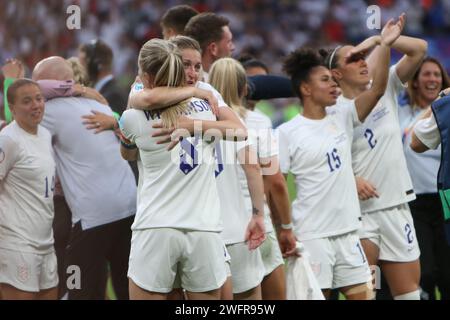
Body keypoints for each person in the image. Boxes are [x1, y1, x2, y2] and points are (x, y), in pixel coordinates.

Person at [120, 38, 259, 300]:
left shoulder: (132, 115)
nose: (193, 73)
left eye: (197, 66)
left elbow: (127, 152)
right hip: (203, 229)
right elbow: (240, 131)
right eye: (186, 65)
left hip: (156, 228)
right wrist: (197, 116)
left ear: (146, 74)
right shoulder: (207, 107)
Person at [278, 16, 402, 299]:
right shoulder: (288, 132)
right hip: (313, 236)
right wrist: (283, 229)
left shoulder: (344, 116)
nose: (334, 85)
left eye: (334, 79)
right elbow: (279, 185)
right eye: (325, 80)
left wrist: (384, 43)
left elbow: (378, 88)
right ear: (306, 89)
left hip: (349, 234)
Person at [326, 14, 427, 299]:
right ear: (336, 74)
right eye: (354, 58)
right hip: (360, 214)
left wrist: (387, 39)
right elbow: (326, 159)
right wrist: (351, 177)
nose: (361, 62)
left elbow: (419, 49)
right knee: (366, 292)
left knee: (408, 294)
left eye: (363, 57)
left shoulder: (386, 86)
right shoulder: (332, 111)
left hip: (395, 205)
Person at [32, 56, 137, 300]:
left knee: (79, 291)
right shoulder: (99, 105)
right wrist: (79, 88)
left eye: (39, 83)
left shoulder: (51, 110)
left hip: (94, 214)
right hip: (129, 206)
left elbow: (21, 115)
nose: (35, 91)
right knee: (127, 288)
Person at [213, 57, 296, 300]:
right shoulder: (257, 121)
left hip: (213, 229)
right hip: (255, 225)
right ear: (244, 88)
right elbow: (276, 180)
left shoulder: (199, 123)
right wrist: (286, 227)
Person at [209, 57, 268, 300]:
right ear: (244, 87)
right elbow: (253, 167)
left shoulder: (188, 120)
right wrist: (259, 215)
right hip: (237, 227)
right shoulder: (240, 122)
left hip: (202, 230)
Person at [0, 79, 57, 300]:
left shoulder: (45, 135)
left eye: (39, 98)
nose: (36, 105)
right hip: (17, 245)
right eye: (27, 101)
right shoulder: (8, 140)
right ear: (12, 109)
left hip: (46, 243)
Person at [399, 58, 450, 300]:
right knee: (424, 271)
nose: (433, 79)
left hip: (445, 200)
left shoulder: (447, 111)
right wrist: (437, 107)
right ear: (415, 81)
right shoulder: (401, 113)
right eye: (427, 74)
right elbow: (411, 141)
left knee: (447, 270)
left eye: (437, 75)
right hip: (414, 202)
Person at [78, 39, 128, 115]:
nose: (79, 69)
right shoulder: (106, 92)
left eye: (83, 63)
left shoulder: (113, 96)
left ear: (96, 65)